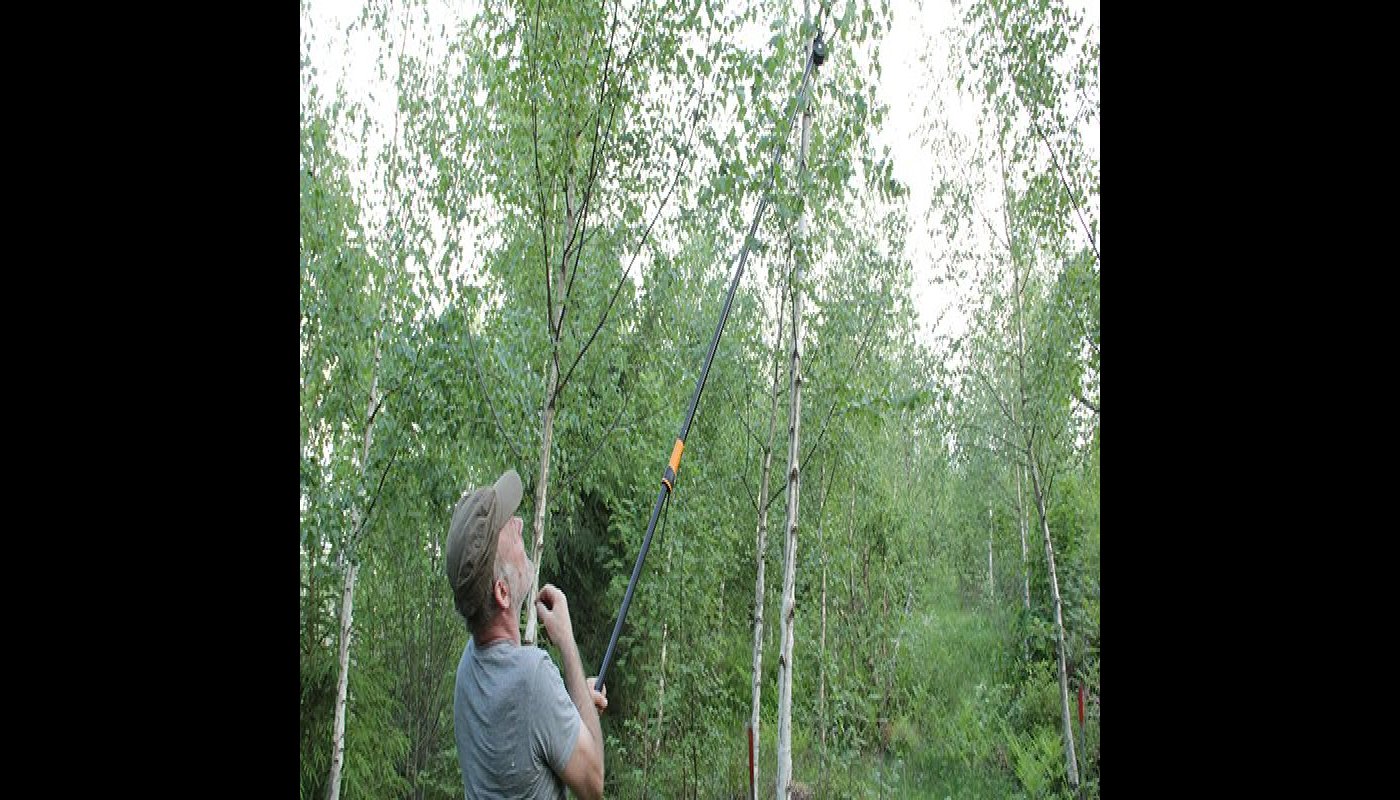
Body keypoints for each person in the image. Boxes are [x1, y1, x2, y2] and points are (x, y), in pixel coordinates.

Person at [445, 468, 608, 799]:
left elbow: (530, 725)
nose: (519, 523)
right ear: (503, 594)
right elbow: (593, 784)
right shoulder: (532, 677)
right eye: (512, 533)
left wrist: (573, 707)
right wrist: (566, 640)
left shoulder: (469, 666)